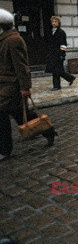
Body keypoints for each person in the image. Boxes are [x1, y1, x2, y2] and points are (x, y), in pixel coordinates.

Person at [0, 9, 56, 161]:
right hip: (5, 85)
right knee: (20, 114)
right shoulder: (4, 39)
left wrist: (25, 87)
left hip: (12, 86)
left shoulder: (13, 40)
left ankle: (5, 149)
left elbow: (22, 66)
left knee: (2, 114)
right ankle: (48, 129)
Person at [45, 16, 76, 91]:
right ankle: (70, 78)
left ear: (59, 23)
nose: (54, 23)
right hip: (52, 54)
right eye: (53, 22)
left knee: (56, 71)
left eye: (56, 22)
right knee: (57, 71)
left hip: (58, 55)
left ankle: (57, 86)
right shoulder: (51, 31)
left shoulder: (61, 32)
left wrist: (62, 54)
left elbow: (63, 44)